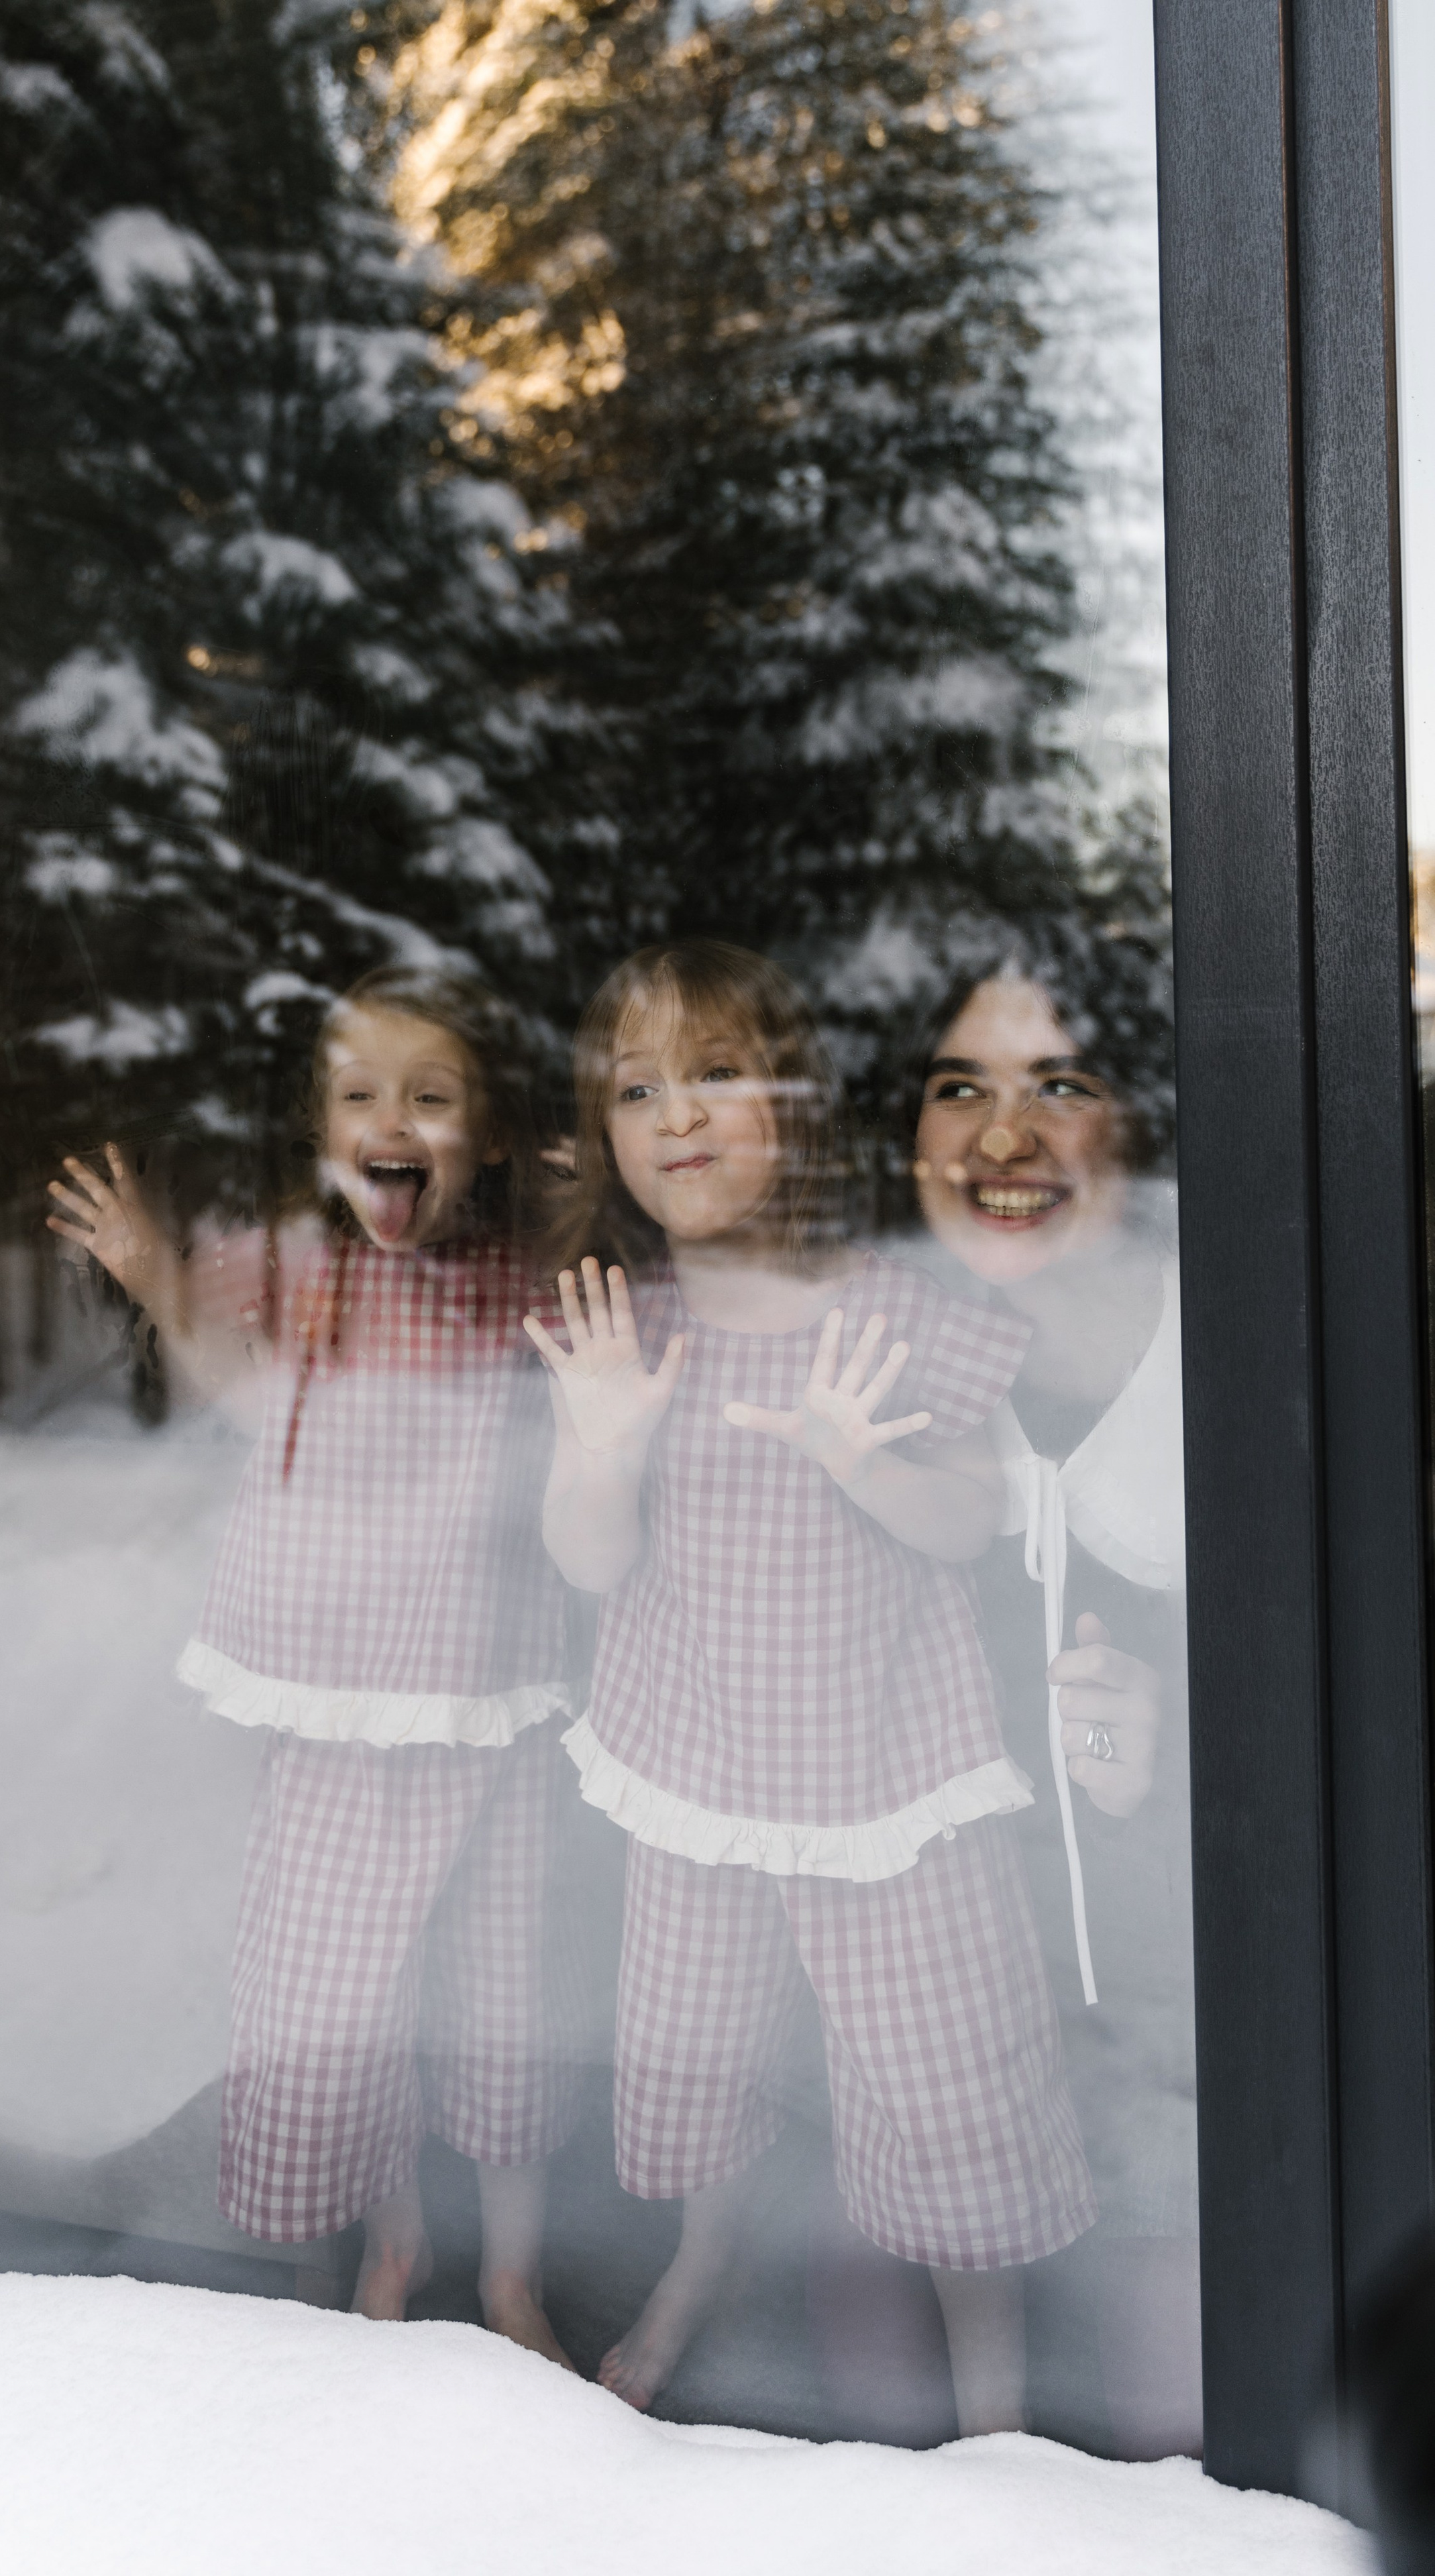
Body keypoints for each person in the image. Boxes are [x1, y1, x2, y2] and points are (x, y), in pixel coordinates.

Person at [523, 938, 1096, 2428]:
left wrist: (865, 1467)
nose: (676, 1114)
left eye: (715, 1073)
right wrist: (602, 1448)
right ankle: (701, 2266)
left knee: (945, 2080)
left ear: (791, 1098)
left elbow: (969, 1523)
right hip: (701, 1771)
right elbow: (589, 1564)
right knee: (701, 2060)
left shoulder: (889, 1311)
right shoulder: (627, 1326)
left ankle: (994, 2396)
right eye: (636, 1090)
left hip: (882, 1778)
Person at [46, 963, 581, 2367]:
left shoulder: (514, 1276)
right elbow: (231, 1384)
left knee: (505, 2003)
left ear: (486, 1134)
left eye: (430, 1097)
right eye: (360, 1097)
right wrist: (148, 1268)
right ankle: (393, 2236)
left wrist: (589, 1191)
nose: (389, 1121)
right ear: (322, 1130)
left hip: (490, 1696)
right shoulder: (295, 1267)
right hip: (343, 1704)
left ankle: (513, 2273)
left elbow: (608, 1313)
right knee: (346, 1992)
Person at [904, 959, 1196, 2457]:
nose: (1002, 1136)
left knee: (1170, 2433)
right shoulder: (883, 1346)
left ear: (1139, 1122)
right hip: (936, 2030)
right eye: (959, 1087)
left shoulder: (1252, 1318)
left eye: (1059, 1086)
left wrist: (1188, 1740)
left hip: (1185, 2059)